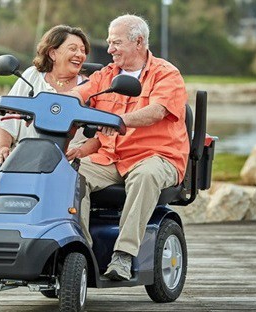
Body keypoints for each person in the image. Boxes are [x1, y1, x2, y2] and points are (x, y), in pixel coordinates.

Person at [68, 14, 189, 281]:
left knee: (145, 177)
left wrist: (119, 121)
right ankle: (82, 253)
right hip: (111, 157)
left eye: (116, 43)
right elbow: (80, 93)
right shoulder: (106, 75)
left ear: (138, 42)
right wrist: (63, 101)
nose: (110, 49)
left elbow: (157, 111)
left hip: (157, 156)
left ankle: (123, 256)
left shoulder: (166, 74)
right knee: (71, 175)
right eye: (110, 42)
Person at [0, 25, 97, 183]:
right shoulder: (31, 76)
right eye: (73, 49)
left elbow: (101, 136)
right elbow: (6, 119)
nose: (79, 54)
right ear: (53, 53)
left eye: (82, 50)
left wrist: (81, 151)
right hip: (28, 154)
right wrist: (3, 147)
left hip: (69, 161)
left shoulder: (91, 87)